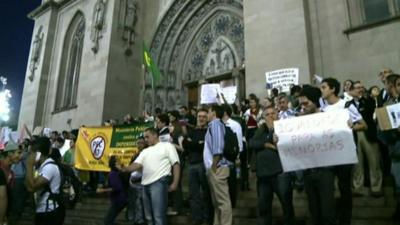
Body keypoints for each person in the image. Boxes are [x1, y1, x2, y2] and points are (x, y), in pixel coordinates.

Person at [320, 78, 367, 225]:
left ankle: (345, 219)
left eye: (324, 87)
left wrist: (350, 127)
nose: (321, 90)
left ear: (333, 89)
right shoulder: (323, 110)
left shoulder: (346, 105)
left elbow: (363, 125)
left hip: (345, 154)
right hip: (329, 154)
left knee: (344, 187)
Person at [121, 128, 180, 225]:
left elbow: (176, 164)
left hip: (159, 182)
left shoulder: (167, 146)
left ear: (155, 135)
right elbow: (136, 165)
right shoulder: (145, 151)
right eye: (144, 137)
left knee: (158, 216)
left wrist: (175, 183)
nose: (145, 140)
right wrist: (124, 168)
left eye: (147, 137)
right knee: (148, 218)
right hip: (144, 185)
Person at [298, 86, 337, 225]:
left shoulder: (327, 117)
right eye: (301, 104)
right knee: (314, 212)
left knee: (327, 212)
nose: (303, 107)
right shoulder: (297, 121)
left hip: (325, 171)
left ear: (315, 101)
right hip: (308, 171)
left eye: (306, 103)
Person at [250, 106, 295, 225]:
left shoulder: (284, 128)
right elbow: (252, 143)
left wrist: (270, 134)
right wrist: (266, 143)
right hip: (263, 175)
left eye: (273, 113)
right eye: (267, 114)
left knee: (286, 205)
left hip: (280, 172)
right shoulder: (260, 130)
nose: (270, 116)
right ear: (263, 118)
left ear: (278, 115)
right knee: (264, 207)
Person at [347, 81, 382, 196]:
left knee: (374, 161)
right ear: (352, 90)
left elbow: (368, 112)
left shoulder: (369, 101)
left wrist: (361, 99)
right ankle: (358, 187)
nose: (360, 90)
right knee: (357, 163)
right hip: (354, 134)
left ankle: (376, 187)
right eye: (357, 88)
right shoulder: (348, 104)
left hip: (368, 132)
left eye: (361, 87)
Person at [25, 137, 65, 225]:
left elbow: (32, 187)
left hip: (49, 211)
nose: (30, 156)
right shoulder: (42, 167)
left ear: (37, 154)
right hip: (43, 209)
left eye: (32, 153)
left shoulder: (49, 167)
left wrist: (29, 165)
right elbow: (29, 186)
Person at [182, 108, 213, 225]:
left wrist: (192, 144)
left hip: (204, 164)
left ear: (208, 118)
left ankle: (207, 219)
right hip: (191, 164)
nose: (201, 119)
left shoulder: (209, 131)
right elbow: (185, 144)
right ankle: (196, 218)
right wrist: (196, 144)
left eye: (204, 116)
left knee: (206, 193)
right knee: (193, 194)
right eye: (199, 116)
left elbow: (203, 146)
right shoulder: (192, 131)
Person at [204, 104, 232, 225]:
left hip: (218, 167)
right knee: (217, 203)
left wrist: (214, 166)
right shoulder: (214, 125)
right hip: (216, 167)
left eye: (208, 112)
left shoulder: (215, 124)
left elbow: (218, 147)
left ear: (214, 113)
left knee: (223, 203)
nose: (206, 115)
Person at [222, 104, 243, 208]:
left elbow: (239, 143)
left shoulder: (235, 125)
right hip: (220, 160)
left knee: (232, 182)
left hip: (231, 158)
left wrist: (238, 156)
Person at [97, 156, 128, 225]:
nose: (119, 162)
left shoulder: (113, 174)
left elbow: (116, 188)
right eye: (117, 161)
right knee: (109, 220)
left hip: (119, 200)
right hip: (121, 199)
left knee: (108, 221)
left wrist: (103, 190)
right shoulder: (117, 173)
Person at [0, 142, 24, 225]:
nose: (21, 156)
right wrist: (1, 220)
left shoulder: (9, 171)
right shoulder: (1, 171)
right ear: (10, 153)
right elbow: (2, 198)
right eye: (19, 153)